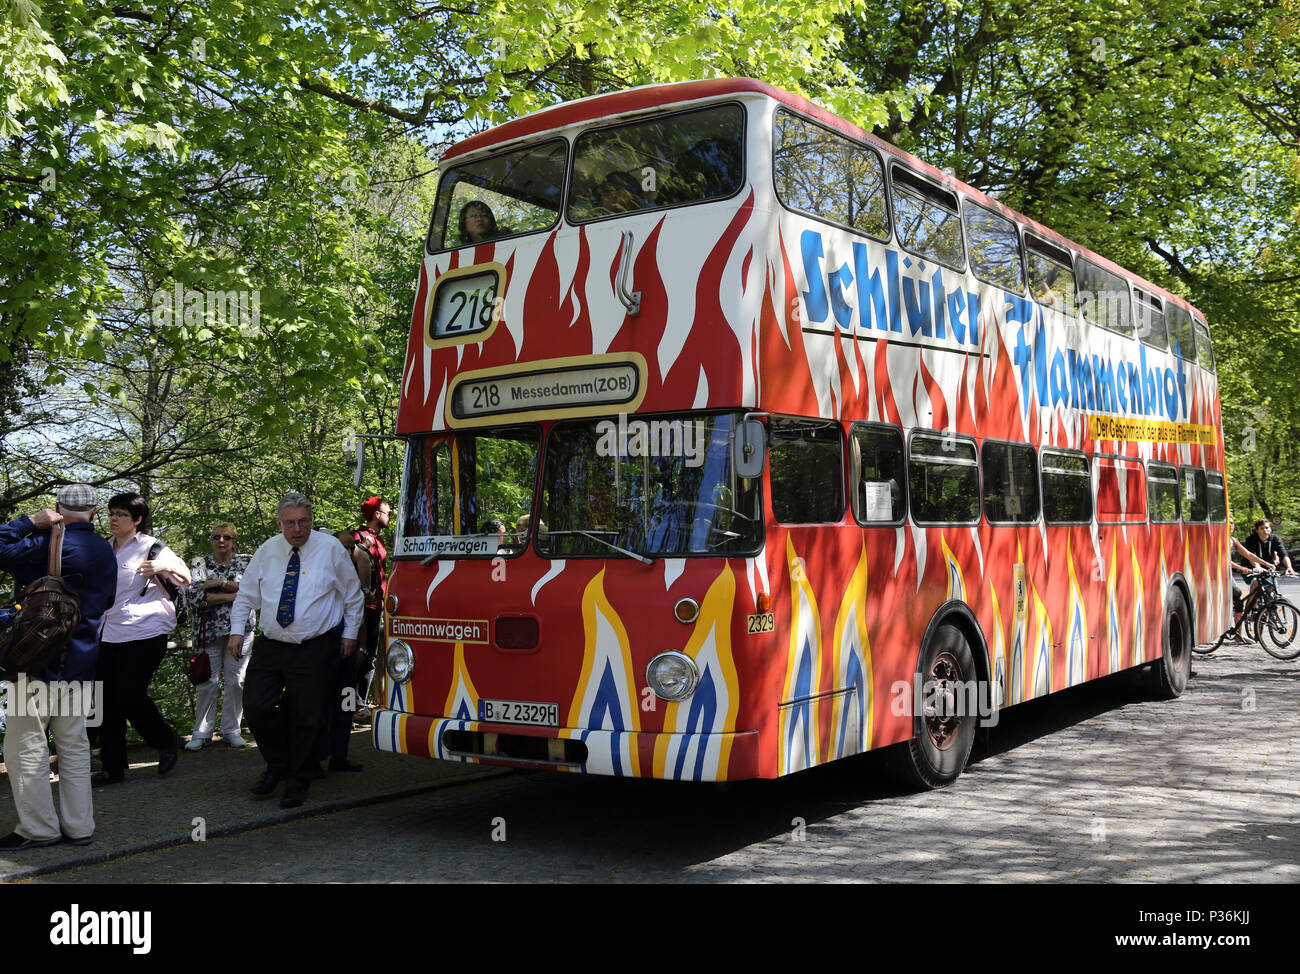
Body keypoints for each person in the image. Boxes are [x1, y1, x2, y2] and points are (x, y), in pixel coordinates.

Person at [229, 492, 363, 808]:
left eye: (303, 521)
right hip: (272, 643)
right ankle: (279, 764)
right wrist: (237, 631)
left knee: (307, 714)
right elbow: (246, 596)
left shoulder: (331, 550)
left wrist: (351, 634)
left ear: (311, 521)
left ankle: (297, 781)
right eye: (290, 523)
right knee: (256, 705)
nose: (297, 529)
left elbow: (353, 595)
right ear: (280, 523)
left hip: (315, 644)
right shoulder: (267, 551)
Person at [0, 486, 116, 849]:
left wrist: (28, 521)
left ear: (57, 510)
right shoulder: (105, 550)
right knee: (75, 746)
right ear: (95, 513)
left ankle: (39, 830)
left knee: (26, 747)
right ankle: (80, 827)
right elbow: (107, 602)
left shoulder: (44, 545)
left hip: (35, 662)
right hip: (82, 663)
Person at [94, 492, 191, 786]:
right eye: (111, 513)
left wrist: (162, 567)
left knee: (129, 693)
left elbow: (187, 577)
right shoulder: (102, 549)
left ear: (137, 520)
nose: (113, 518)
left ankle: (165, 740)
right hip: (108, 632)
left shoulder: (152, 547)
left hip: (146, 630)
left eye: (121, 514)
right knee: (105, 698)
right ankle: (113, 767)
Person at [184, 522, 254, 751]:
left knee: (237, 681)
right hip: (208, 632)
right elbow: (194, 597)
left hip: (241, 630)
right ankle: (202, 733)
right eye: (216, 537)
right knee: (206, 681)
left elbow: (252, 593)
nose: (221, 541)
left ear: (234, 541)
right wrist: (233, 593)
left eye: (226, 537)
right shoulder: (199, 563)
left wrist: (216, 585)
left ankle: (231, 730)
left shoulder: (247, 562)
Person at [352, 497, 389, 709]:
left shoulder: (381, 540)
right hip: (359, 608)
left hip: (377, 607)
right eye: (387, 513)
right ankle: (346, 707)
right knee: (356, 655)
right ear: (377, 514)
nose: (390, 517)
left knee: (369, 657)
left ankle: (359, 704)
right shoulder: (357, 537)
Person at [1228, 516, 1271, 633]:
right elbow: (1222, 560)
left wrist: (1267, 564)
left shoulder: (1233, 540)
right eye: (1228, 523)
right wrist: (1241, 568)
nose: (1230, 525)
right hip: (1216, 575)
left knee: (1237, 601)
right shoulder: (1218, 540)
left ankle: (1238, 634)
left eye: (1232, 523)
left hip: (1227, 574)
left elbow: (1249, 554)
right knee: (1236, 595)